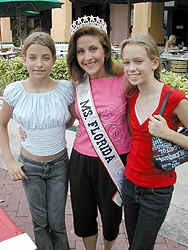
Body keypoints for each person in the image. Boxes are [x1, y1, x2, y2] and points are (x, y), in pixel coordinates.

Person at [0, 31, 75, 250]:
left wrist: (46, 125)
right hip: (29, 167)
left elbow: (71, 118)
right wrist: (10, 161)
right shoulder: (15, 91)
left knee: (58, 223)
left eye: (45, 57)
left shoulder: (65, 89)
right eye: (32, 57)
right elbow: (1, 124)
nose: (39, 64)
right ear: (24, 59)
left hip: (59, 165)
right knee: (40, 223)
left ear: (53, 59)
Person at [66, 16, 131, 250]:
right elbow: (67, 119)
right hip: (81, 160)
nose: (87, 57)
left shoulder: (125, 78)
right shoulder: (76, 82)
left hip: (116, 159)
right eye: (81, 51)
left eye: (93, 48)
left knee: (112, 217)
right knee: (83, 216)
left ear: (105, 48)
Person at [120, 33, 188, 250]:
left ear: (154, 62)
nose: (132, 68)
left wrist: (167, 133)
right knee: (134, 243)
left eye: (138, 61)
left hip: (157, 191)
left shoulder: (174, 98)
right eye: (127, 62)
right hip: (130, 184)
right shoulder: (131, 96)